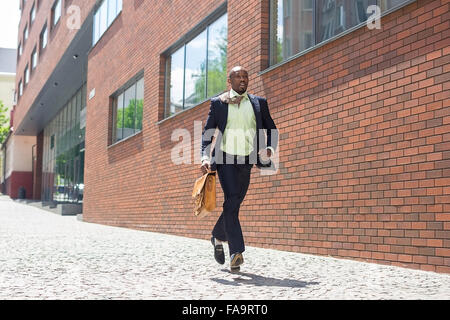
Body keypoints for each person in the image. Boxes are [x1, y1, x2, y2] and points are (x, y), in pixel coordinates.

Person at [200, 66, 278, 273]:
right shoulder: (219, 103)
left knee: (234, 202)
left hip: (247, 159)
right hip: (225, 158)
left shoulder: (258, 103)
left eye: (245, 76)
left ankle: (217, 236)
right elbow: (208, 132)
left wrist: (269, 147)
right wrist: (204, 156)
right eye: (238, 76)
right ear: (230, 80)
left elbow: (271, 127)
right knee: (232, 197)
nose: (242, 79)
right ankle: (236, 252)